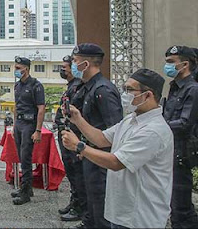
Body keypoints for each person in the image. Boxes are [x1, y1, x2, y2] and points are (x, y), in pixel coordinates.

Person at [62, 69, 173, 229]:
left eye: (129, 90)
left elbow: (116, 162)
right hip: (121, 211)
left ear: (148, 95)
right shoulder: (131, 119)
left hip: (140, 216)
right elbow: (101, 138)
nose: (124, 94)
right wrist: (78, 119)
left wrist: (79, 147)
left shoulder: (153, 131)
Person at [69, 43, 122, 228]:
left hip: (100, 159)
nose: (73, 65)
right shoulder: (89, 87)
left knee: (101, 209)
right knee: (92, 205)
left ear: (85, 64)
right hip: (89, 153)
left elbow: (115, 131)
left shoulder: (103, 90)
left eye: (75, 61)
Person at [162, 45, 198, 228]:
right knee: (175, 204)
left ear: (184, 64)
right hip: (170, 150)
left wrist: (159, 126)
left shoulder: (192, 89)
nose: (166, 66)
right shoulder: (175, 87)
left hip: (182, 153)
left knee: (180, 205)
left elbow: (185, 124)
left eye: (170, 62)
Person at [11, 56, 46, 205]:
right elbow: (16, 106)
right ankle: (27, 188)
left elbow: (41, 108)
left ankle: (25, 192)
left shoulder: (36, 85)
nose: (16, 70)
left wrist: (38, 130)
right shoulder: (17, 86)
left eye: (19, 68)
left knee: (26, 157)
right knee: (21, 156)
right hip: (19, 123)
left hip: (29, 123)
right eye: (16, 68)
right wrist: (13, 126)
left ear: (26, 68)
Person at [54, 55, 84, 222]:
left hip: (74, 136)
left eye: (66, 66)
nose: (62, 69)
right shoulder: (70, 87)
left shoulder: (79, 87)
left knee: (77, 173)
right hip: (65, 134)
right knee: (71, 173)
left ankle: (79, 207)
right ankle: (74, 202)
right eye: (62, 66)